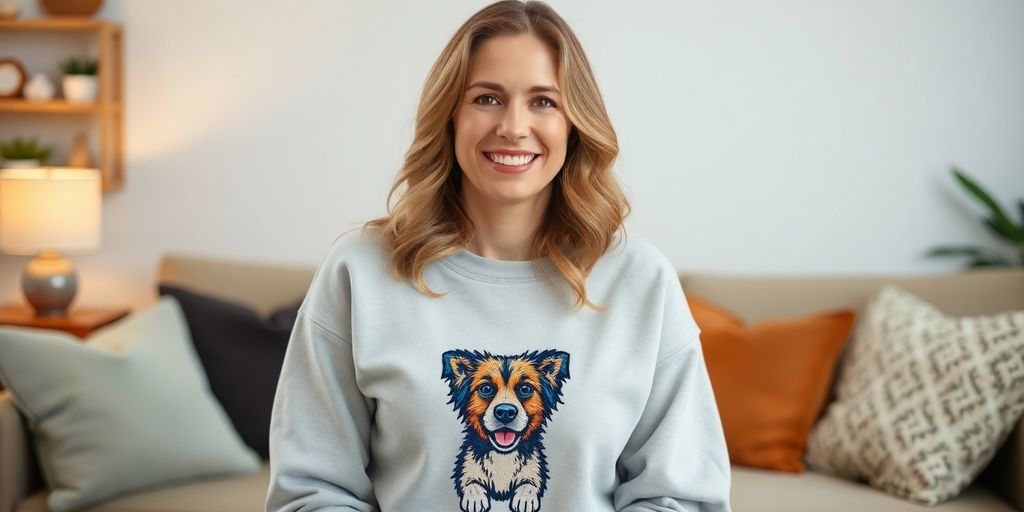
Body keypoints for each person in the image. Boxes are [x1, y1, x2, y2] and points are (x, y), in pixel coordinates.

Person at [265, 1, 732, 511]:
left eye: (544, 102)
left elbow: (681, 497)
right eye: (487, 98)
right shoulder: (361, 269)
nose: (513, 126)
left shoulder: (642, 281)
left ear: (575, 123)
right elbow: (311, 490)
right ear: (450, 116)